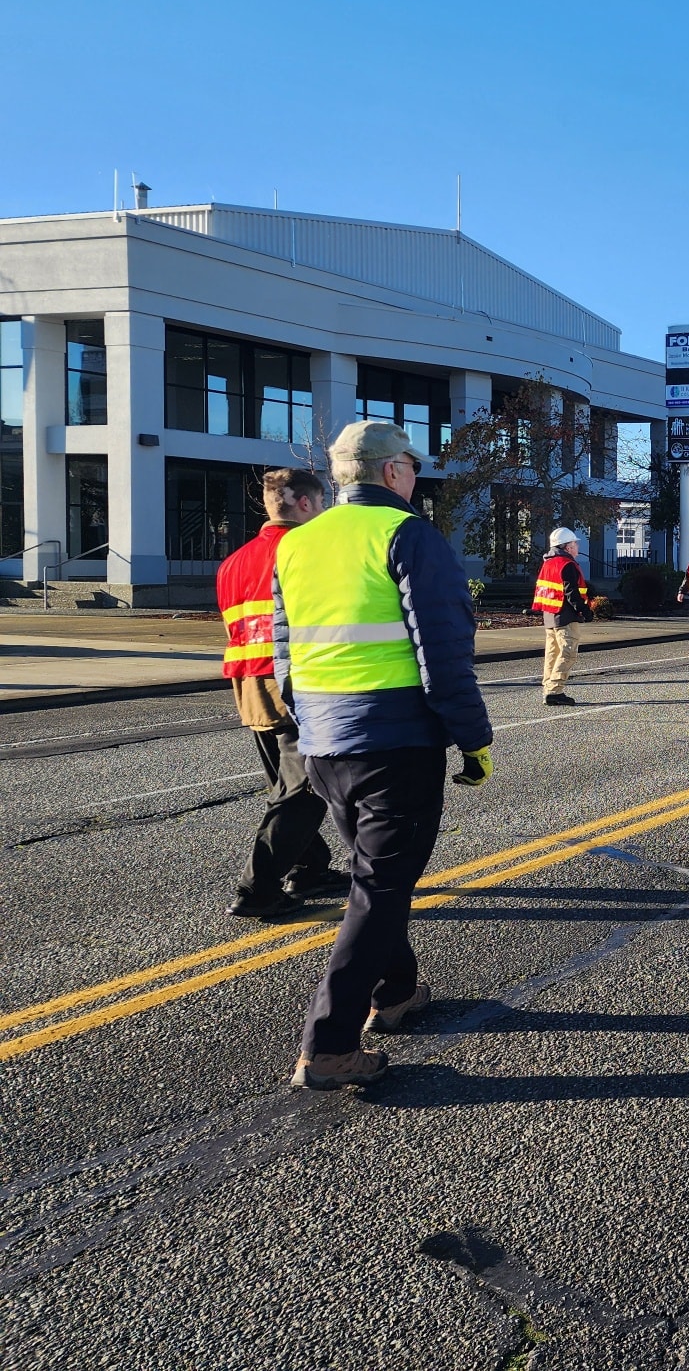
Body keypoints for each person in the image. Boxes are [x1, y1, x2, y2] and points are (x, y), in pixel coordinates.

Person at [273, 421, 493, 1090]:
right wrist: (473, 739)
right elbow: (442, 652)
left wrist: (306, 718)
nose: (416, 476)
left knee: (375, 879)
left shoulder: (298, 542)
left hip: (324, 743)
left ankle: (395, 991)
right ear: (393, 470)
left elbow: (285, 646)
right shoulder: (407, 535)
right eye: (412, 466)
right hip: (394, 743)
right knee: (380, 889)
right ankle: (329, 1044)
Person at [216, 468, 342, 919]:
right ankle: (258, 889)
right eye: (322, 503)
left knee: (285, 784)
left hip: (249, 682)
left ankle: (309, 868)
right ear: (305, 503)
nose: (323, 511)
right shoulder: (307, 551)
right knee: (304, 790)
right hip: (297, 681)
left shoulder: (233, 562)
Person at [533, 526, 593, 707]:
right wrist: (584, 610)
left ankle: (548, 689)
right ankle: (555, 691)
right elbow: (571, 592)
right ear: (567, 546)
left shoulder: (548, 563)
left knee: (552, 654)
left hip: (550, 615)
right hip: (565, 616)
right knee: (568, 653)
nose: (577, 546)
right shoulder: (567, 564)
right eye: (575, 543)